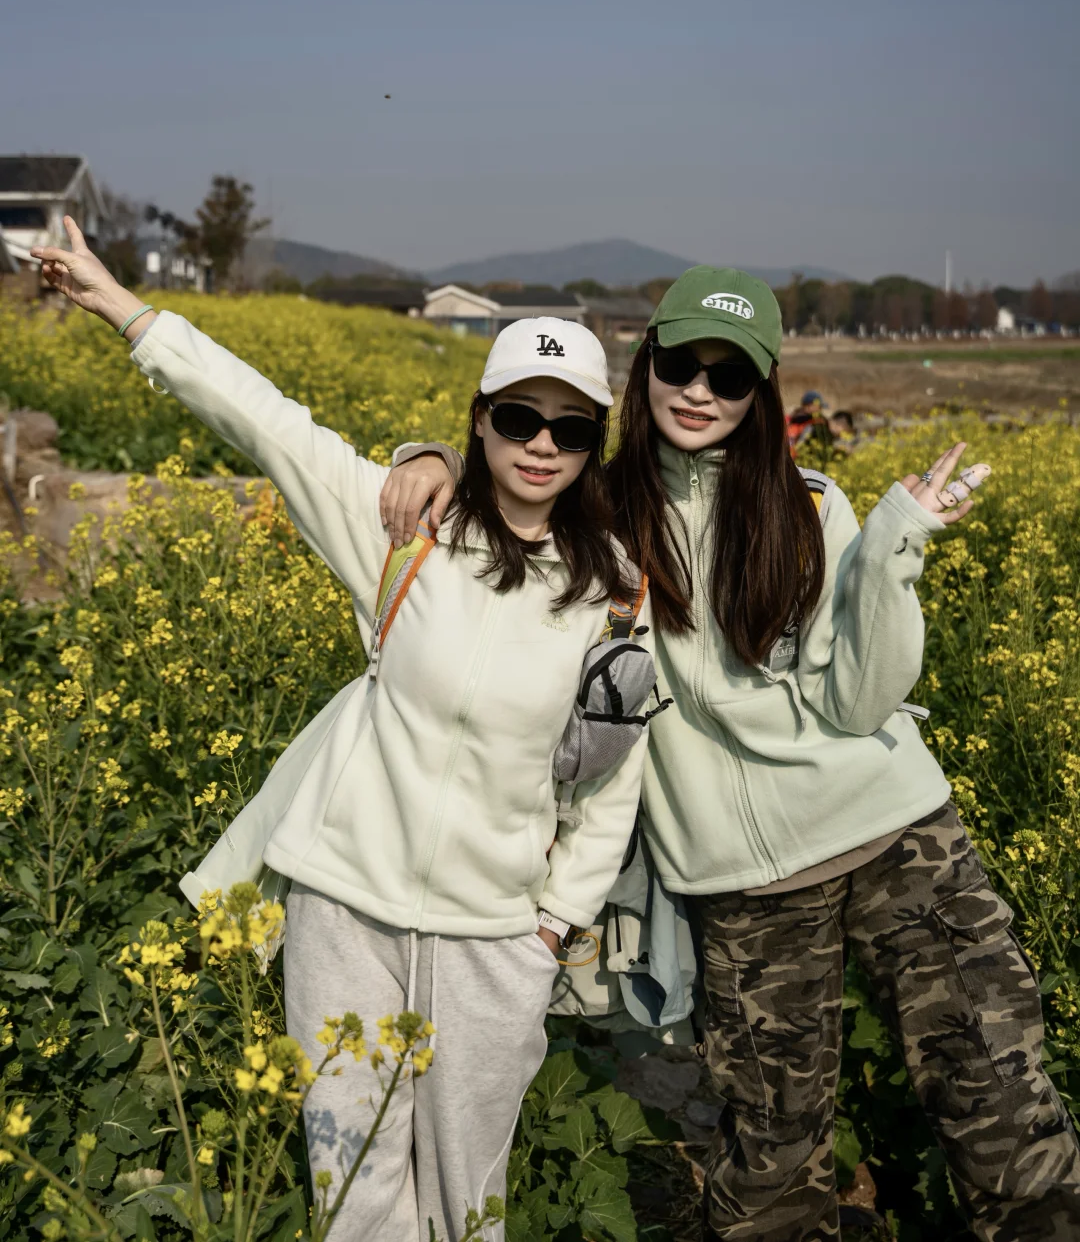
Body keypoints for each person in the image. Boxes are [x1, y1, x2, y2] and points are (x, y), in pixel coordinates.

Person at [383, 265, 1080, 1241]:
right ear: (646, 364)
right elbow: (509, 477)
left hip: (900, 834)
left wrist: (892, 549)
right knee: (772, 1162)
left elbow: (859, 701)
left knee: (1001, 1102)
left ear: (761, 391)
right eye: (682, 363)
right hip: (744, 880)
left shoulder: (811, 505)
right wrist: (427, 459)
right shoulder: (597, 519)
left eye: (731, 375)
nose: (701, 391)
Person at [31, 218, 652, 1242]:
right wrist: (121, 306)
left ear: (595, 444)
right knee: (351, 1194)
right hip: (343, 915)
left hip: (495, 939)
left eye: (570, 428)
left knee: (469, 1206)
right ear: (480, 421)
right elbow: (266, 420)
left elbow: (612, 780)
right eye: (518, 417)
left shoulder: (616, 592)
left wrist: (552, 926)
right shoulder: (405, 530)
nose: (542, 444)